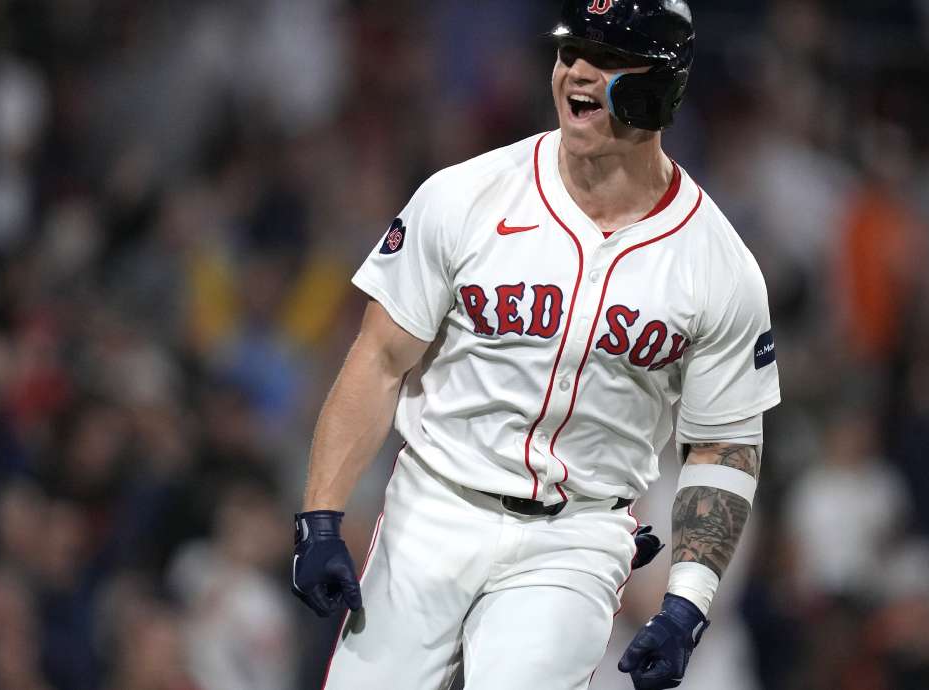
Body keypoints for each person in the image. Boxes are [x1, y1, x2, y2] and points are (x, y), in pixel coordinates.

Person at [291, 1, 781, 688]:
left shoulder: (718, 265)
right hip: (434, 508)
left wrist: (686, 604)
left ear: (662, 83)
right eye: (570, 51)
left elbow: (724, 448)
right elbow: (379, 358)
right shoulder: (466, 195)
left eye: (606, 57)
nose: (577, 71)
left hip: (575, 537)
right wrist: (320, 517)